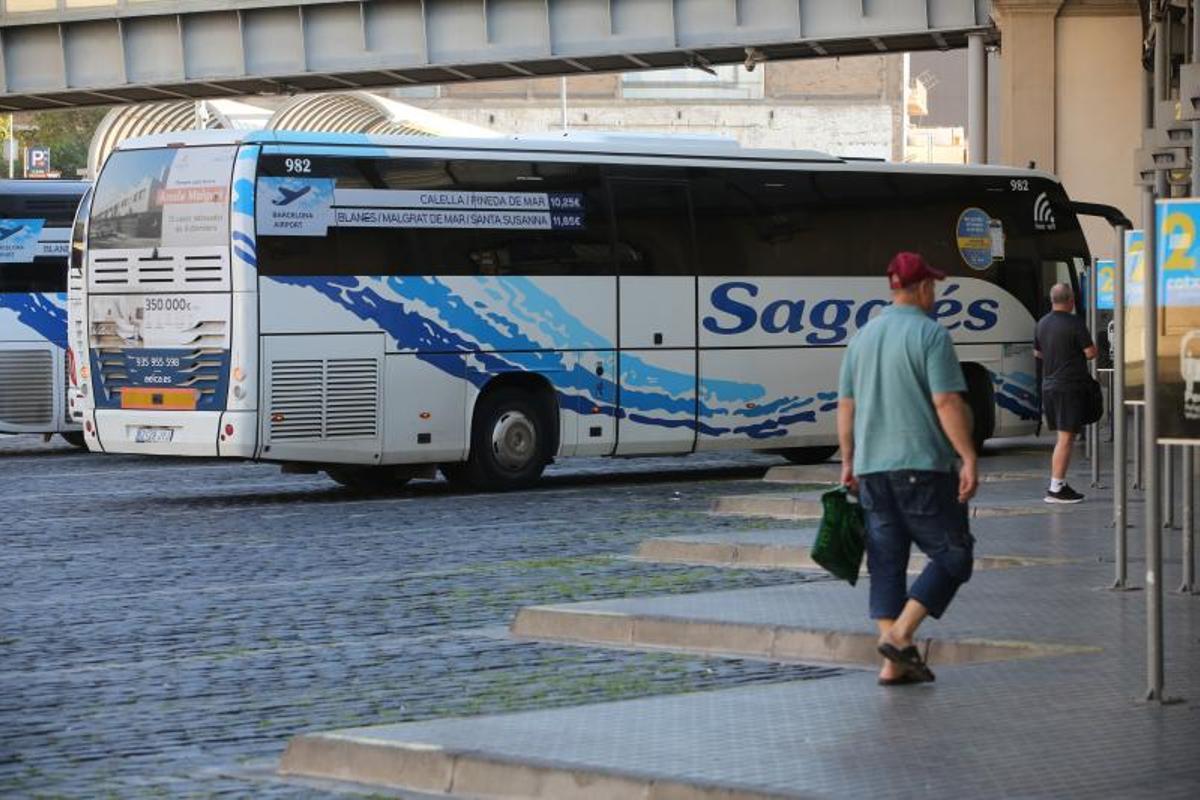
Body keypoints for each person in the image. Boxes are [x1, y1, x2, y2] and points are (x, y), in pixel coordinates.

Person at [837, 251, 978, 686]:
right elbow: (947, 401)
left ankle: (893, 665)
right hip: (921, 466)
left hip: (872, 469)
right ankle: (899, 636)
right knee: (954, 555)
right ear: (921, 288)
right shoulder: (931, 335)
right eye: (932, 285)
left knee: (886, 563)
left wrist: (847, 460)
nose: (934, 292)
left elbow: (845, 406)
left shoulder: (862, 337)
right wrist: (969, 455)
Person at [1034, 283, 1097, 504]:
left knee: (1064, 436)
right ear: (1070, 300)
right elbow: (1091, 353)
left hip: (1049, 385)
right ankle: (1056, 487)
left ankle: (1058, 484)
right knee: (1066, 438)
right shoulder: (1074, 323)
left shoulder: (1041, 323)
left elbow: (1038, 352)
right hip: (1068, 387)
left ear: (1052, 300)